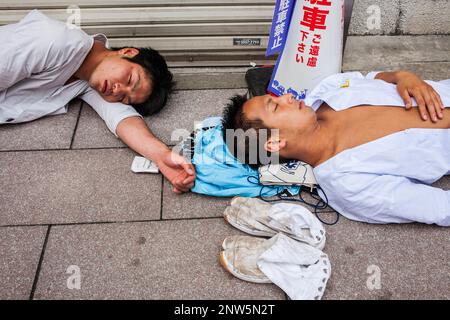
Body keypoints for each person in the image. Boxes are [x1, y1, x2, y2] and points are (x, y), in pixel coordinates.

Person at [0, 10, 195, 193]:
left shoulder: (89, 77)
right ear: (128, 52)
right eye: (129, 80)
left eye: (126, 98)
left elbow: (123, 119)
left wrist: (162, 156)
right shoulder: (56, 42)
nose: (118, 91)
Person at [222, 70, 450, 226]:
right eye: (276, 106)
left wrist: (404, 76)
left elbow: (372, 76)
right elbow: (440, 208)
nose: (288, 96)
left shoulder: (326, 89)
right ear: (274, 143)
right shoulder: (348, 184)